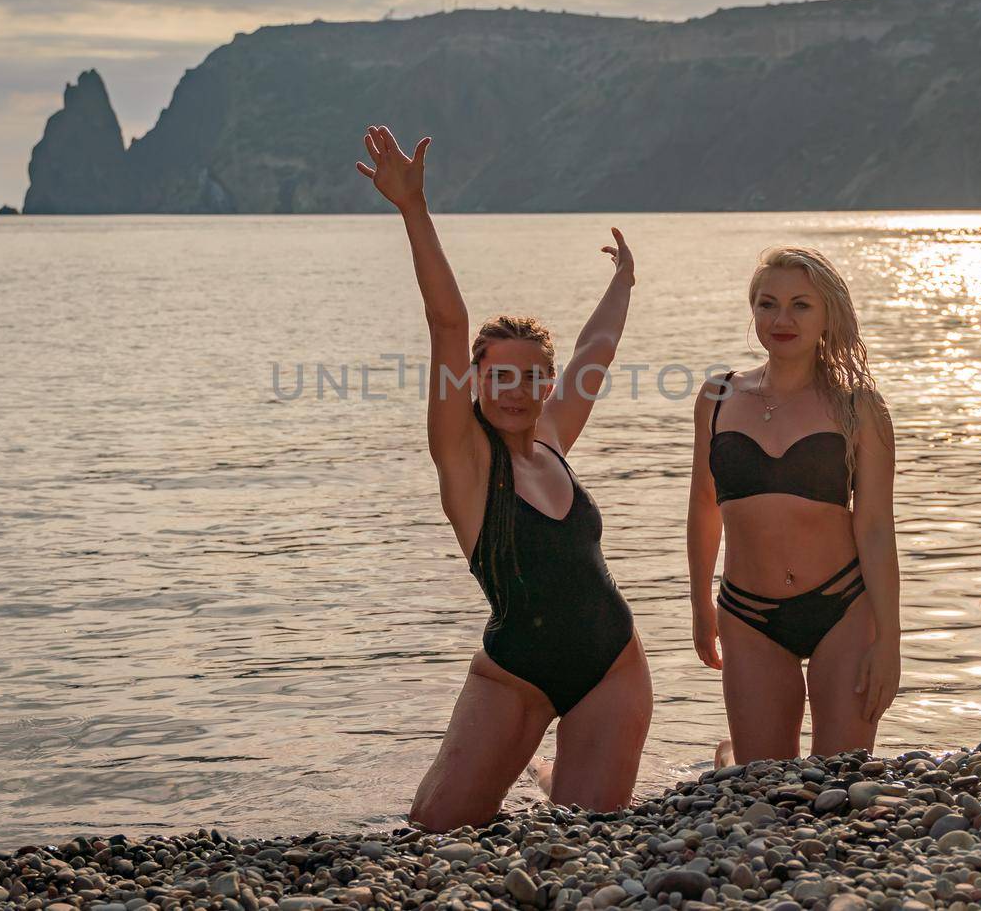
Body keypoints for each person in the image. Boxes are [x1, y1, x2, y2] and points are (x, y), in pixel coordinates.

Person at [355, 123, 652, 831]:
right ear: (474, 380)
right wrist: (413, 212)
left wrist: (624, 279)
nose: (515, 391)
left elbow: (598, 349)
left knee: (586, 840)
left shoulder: (552, 434)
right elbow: (446, 319)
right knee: (433, 829)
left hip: (612, 667)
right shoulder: (462, 456)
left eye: (531, 377)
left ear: (546, 384)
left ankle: (562, 773)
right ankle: (538, 766)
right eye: (499, 376)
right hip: (514, 670)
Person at [686, 245, 900, 764]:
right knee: (764, 786)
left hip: (844, 607)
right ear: (752, 310)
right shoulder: (717, 397)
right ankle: (731, 758)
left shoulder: (858, 406)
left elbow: (874, 528)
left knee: (841, 780)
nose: (781, 319)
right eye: (767, 304)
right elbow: (703, 507)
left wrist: (889, 642)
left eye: (801, 305)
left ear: (828, 314)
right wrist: (699, 606)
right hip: (746, 612)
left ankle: (728, 759)